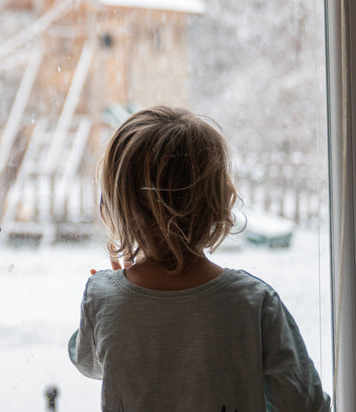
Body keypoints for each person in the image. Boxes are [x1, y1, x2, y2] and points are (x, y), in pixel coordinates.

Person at [69, 105, 330, 411]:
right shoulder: (254, 302)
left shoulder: (102, 298)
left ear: (117, 206)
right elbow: (303, 402)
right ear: (220, 201)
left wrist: (116, 293)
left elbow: (89, 362)